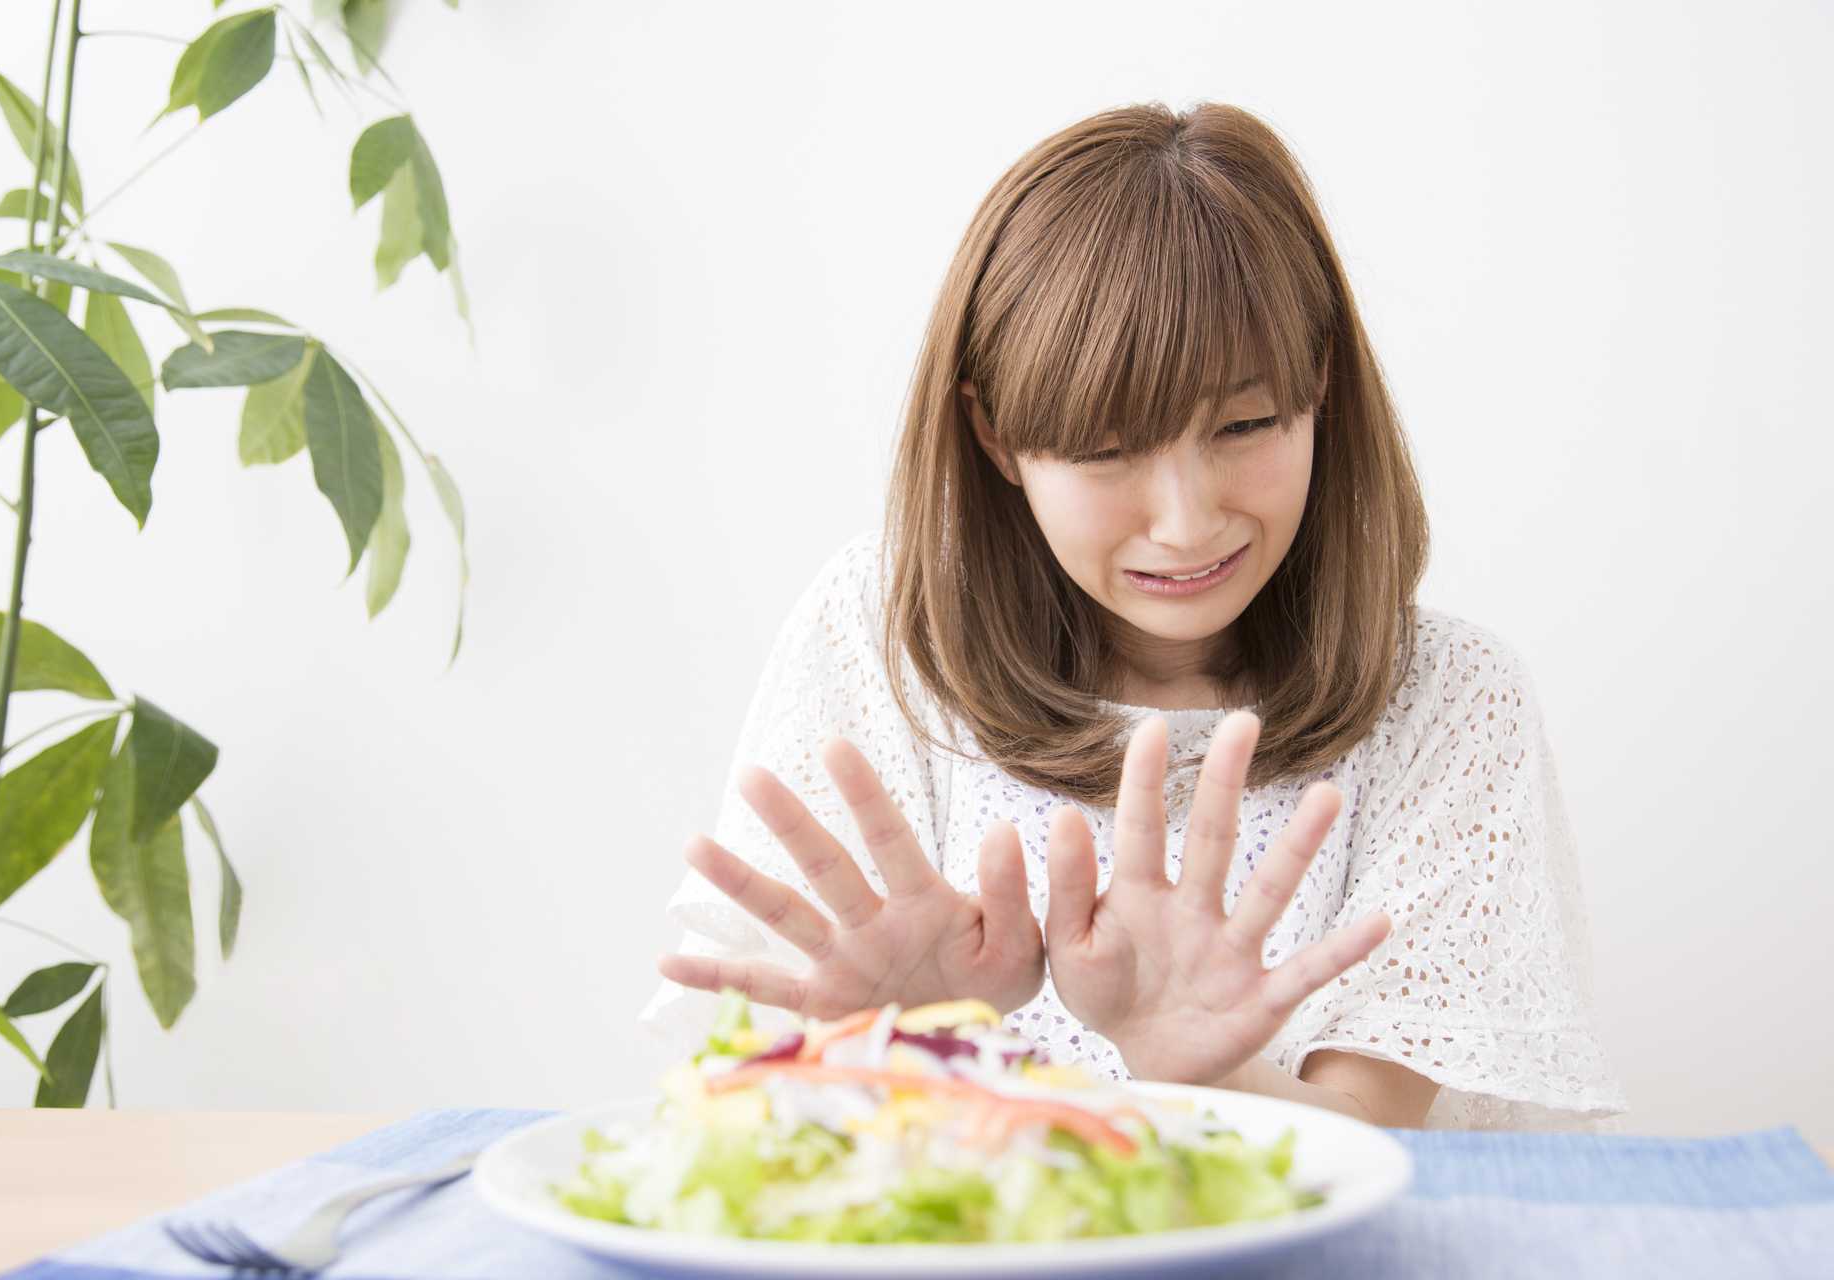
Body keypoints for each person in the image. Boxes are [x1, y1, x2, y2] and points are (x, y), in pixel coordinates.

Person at [639, 100, 1627, 1132]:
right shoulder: (886, 637)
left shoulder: (1449, 701)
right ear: (994, 433)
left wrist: (1207, 1067)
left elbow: (1380, 1157)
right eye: (1107, 451)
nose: (1188, 521)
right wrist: (889, 1047)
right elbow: (734, 1108)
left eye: (1246, 424)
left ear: (1321, 383)